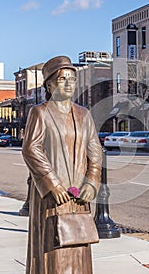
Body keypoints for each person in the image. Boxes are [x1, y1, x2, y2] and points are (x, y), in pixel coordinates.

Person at [22, 55, 102, 274]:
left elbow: (95, 152)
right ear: (49, 84)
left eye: (72, 79)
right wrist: (53, 183)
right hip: (52, 197)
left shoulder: (84, 115)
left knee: (78, 248)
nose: (68, 84)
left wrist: (92, 183)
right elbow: (31, 149)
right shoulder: (40, 112)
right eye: (62, 79)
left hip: (78, 197)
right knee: (53, 253)